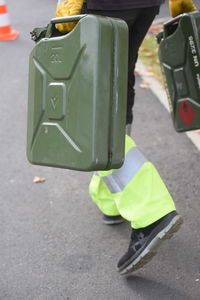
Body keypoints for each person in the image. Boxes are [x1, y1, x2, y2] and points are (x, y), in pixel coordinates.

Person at [55, 0, 197, 275]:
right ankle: (110, 198)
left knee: (85, 105)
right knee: (117, 78)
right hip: (145, 4)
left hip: (105, 4)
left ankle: (151, 213)